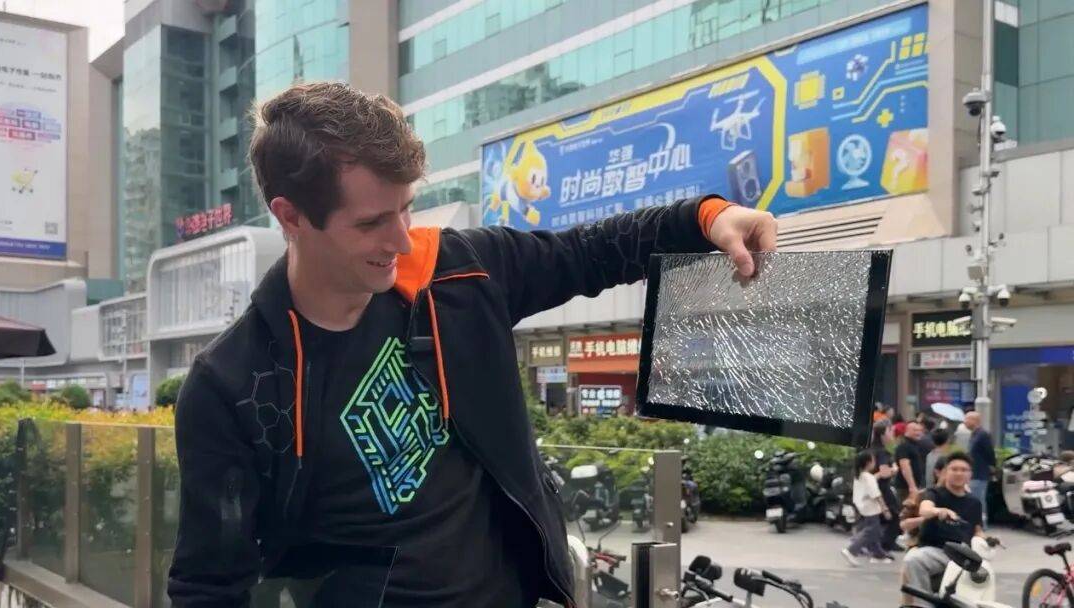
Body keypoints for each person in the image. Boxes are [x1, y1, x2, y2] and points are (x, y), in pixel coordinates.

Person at [165, 82, 779, 608]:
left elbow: (589, 251)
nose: (401, 241)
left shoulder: (455, 273)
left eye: (406, 209)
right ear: (291, 216)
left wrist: (706, 219)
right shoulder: (235, 385)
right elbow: (209, 586)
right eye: (371, 222)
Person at [901, 454, 986, 607]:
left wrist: (987, 540)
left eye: (964, 470)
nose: (959, 473)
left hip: (963, 555)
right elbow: (925, 509)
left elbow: (978, 530)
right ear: (946, 472)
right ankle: (921, 605)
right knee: (913, 560)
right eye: (954, 469)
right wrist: (939, 511)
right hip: (937, 551)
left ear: (970, 474)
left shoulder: (974, 502)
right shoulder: (933, 493)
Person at [841, 451, 893, 566]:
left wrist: (878, 475)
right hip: (871, 507)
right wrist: (885, 509)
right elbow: (876, 494)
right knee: (871, 531)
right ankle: (851, 550)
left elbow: (871, 481)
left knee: (874, 532)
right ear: (868, 463)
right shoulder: (868, 477)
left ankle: (878, 555)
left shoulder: (859, 475)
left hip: (863, 506)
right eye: (873, 461)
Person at [870, 420, 902, 552]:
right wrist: (894, 470)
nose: (892, 434)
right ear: (883, 434)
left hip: (871, 488)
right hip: (882, 488)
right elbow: (884, 473)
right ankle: (886, 544)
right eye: (890, 431)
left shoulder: (871, 449)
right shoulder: (882, 452)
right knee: (894, 515)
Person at [965, 411, 996, 528]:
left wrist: (992, 466)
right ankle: (976, 523)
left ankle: (981, 525)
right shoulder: (974, 435)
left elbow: (990, 453)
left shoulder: (983, 435)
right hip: (973, 473)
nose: (965, 422)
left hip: (980, 473)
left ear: (975, 420)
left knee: (978, 499)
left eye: (967, 419)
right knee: (974, 499)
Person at [895, 421, 928, 506]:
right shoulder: (904, 446)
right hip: (906, 487)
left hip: (916, 485)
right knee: (906, 510)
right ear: (907, 431)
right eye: (915, 430)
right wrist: (912, 486)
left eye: (919, 430)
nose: (918, 433)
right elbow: (905, 466)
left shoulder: (915, 445)